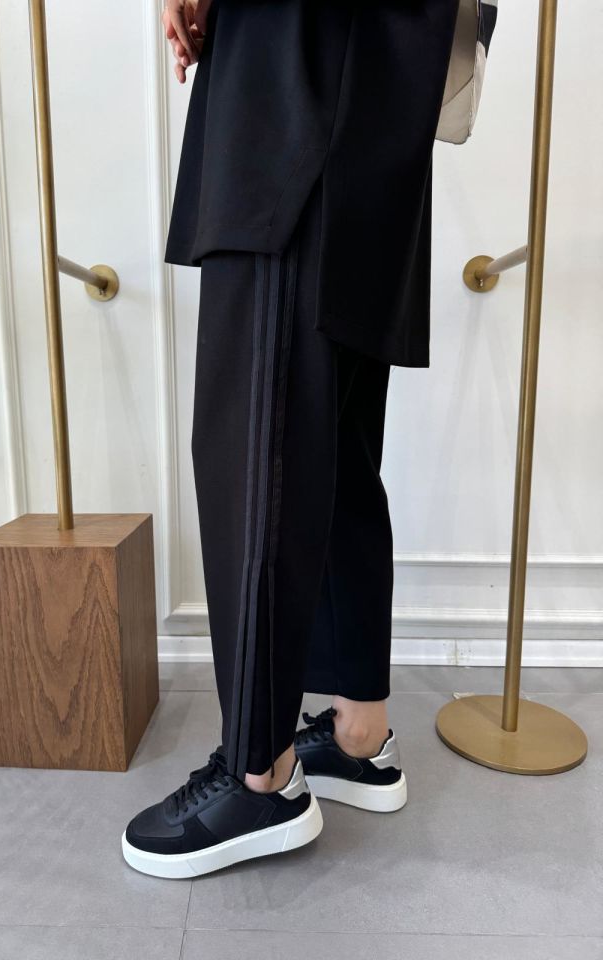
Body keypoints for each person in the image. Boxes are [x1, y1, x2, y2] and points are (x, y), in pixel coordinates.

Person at [123, 0, 461, 879]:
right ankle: (357, 733)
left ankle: (258, 776)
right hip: (372, 92)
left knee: (256, 445)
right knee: (336, 448)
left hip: (296, 79)